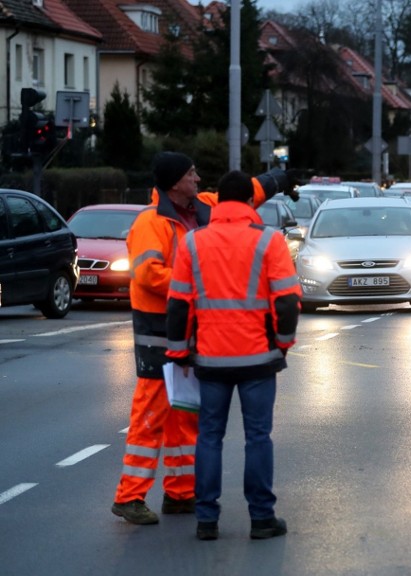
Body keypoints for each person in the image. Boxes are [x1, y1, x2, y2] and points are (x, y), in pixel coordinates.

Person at [111, 152, 295, 526]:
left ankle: (181, 493)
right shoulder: (152, 223)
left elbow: (243, 195)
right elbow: (147, 274)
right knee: (151, 414)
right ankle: (130, 496)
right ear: (174, 182)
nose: (198, 179)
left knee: (186, 416)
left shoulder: (201, 207)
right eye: (191, 173)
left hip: (191, 330)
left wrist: (280, 177)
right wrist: (194, 283)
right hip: (158, 331)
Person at [165, 170, 301, 541]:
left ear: (218, 201)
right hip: (258, 357)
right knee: (258, 436)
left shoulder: (193, 243)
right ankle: (261, 518)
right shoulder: (269, 241)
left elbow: (178, 304)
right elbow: (287, 301)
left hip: (210, 359)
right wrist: (283, 343)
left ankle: (206, 519)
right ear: (248, 202)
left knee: (209, 436)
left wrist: (179, 351)